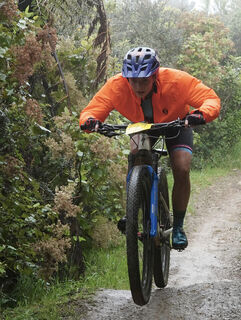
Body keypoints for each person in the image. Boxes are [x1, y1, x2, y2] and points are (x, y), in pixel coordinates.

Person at [79, 47, 221, 250]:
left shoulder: (176, 80)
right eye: (133, 80)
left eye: (144, 80)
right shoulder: (116, 85)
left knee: (181, 167)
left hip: (177, 125)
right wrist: (90, 121)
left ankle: (178, 226)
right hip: (142, 127)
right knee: (136, 155)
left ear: (155, 75)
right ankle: (133, 212)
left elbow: (210, 99)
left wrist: (200, 114)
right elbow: (92, 109)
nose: (138, 86)